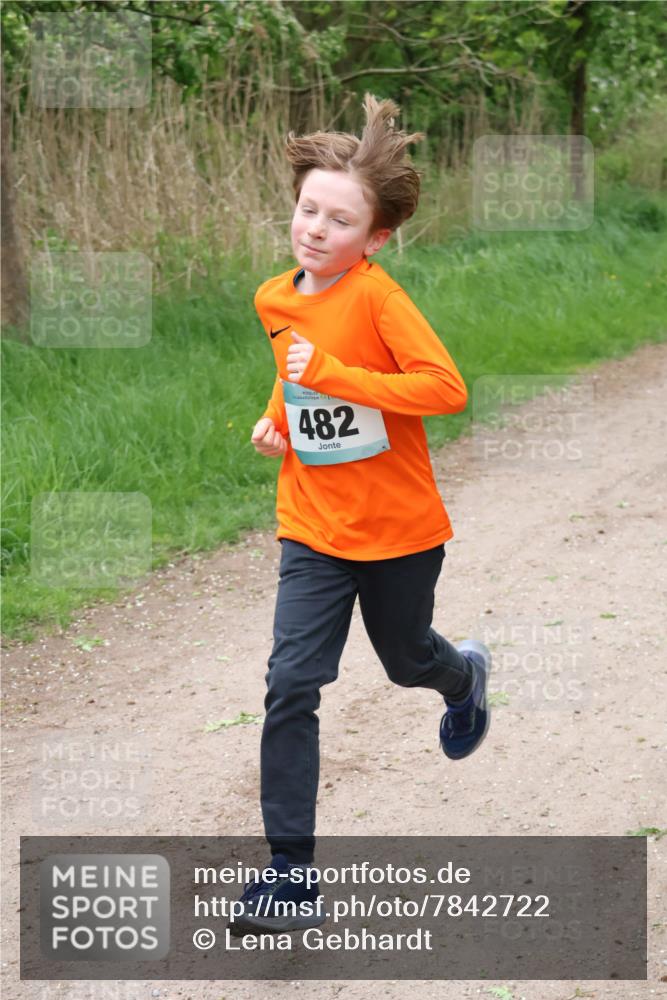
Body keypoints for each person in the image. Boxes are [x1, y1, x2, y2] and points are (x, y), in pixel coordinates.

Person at [231, 93, 492, 935]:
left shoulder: (379, 299)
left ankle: (461, 677)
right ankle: (289, 874)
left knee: (405, 660)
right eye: (308, 209)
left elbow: (443, 391)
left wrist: (337, 378)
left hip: (398, 531)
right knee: (288, 684)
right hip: (311, 524)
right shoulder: (276, 296)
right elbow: (297, 369)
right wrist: (279, 414)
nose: (315, 229)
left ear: (374, 238)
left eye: (339, 221)